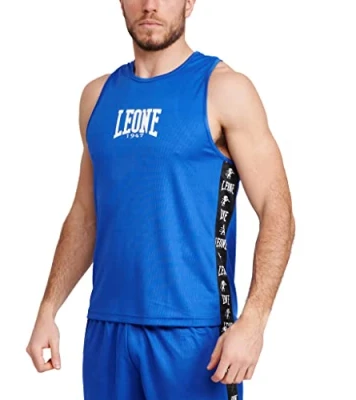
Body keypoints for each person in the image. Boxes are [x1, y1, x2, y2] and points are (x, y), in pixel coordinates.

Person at [26, 1, 295, 399]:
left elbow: (277, 210)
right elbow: (85, 215)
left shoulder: (224, 90)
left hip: (195, 337)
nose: (149, 5)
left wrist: (254, 321)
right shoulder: (97, 97)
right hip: (107, 331)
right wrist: (48, 309)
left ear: (189, 2)